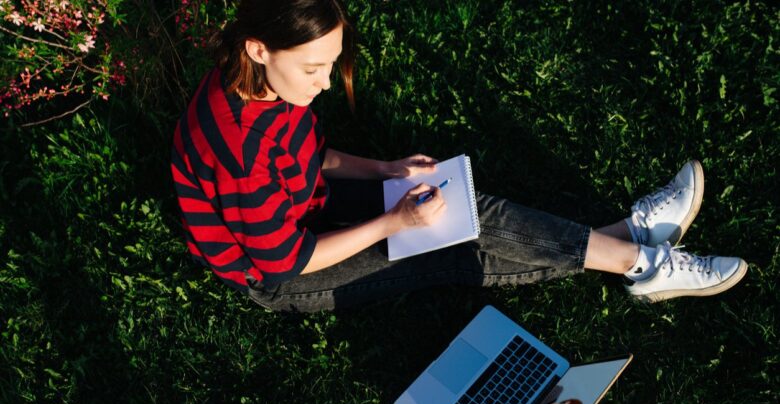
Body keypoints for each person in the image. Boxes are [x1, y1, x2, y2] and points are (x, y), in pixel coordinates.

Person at [171, 0, 748, 313]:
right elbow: (284, 262)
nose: (324, 84)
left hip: (309, 209)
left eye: (331, 62)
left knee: (463, 210)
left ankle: (624, 241)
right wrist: (393, 223)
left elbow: (307, 155)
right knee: (449, 244)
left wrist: (387, 170)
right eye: (313, 68)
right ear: (259, 47)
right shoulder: (239, 153)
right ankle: (640, 262)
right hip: (279, 278)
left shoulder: (258, 81)